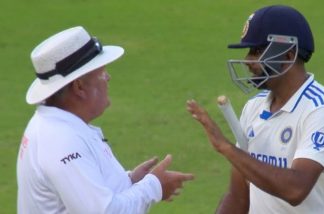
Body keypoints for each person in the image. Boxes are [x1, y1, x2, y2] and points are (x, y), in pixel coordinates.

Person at [187, 5, 324, 214]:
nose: (247, 60)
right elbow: (238, 197)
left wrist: (227, 147)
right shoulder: (254, 107)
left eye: (256, 51)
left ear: (287, 55)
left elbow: (296, 189)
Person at [17, 26, 194, 214]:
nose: (108, 77)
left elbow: (87, 194)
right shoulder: (62, 140)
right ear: (79, 87)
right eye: (101, 72)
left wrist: (129, 181)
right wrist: (154, 186)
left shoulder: (57, 125)